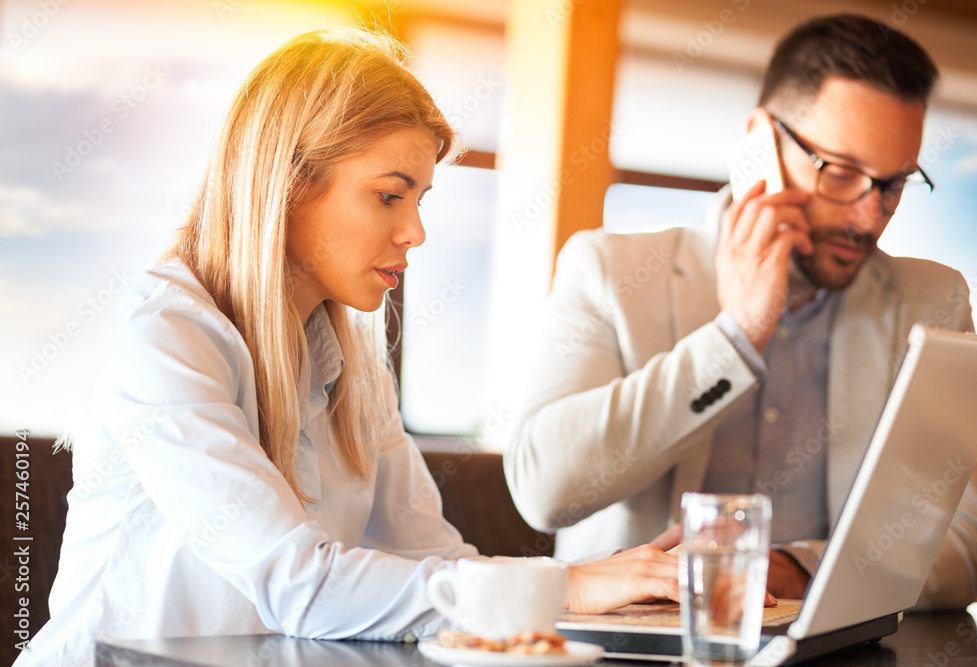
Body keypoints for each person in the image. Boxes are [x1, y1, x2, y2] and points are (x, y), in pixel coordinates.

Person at [15, 28, 681, 667]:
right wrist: (565, 585)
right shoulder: (166, 335)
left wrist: (605, 581)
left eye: (419, 199)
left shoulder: (354, 368)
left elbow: (436, 566)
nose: (415, 231)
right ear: (291, 183)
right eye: (389, 195)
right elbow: (296, 583)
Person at [504, 14, 977, 609]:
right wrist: (734, 338)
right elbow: (544, 491)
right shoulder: (607, 270)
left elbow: (964, 546)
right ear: (762, 141)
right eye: (840, 173)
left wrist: (793, 570)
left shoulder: (932, 302)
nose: (869, 216)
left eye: (893, 184)